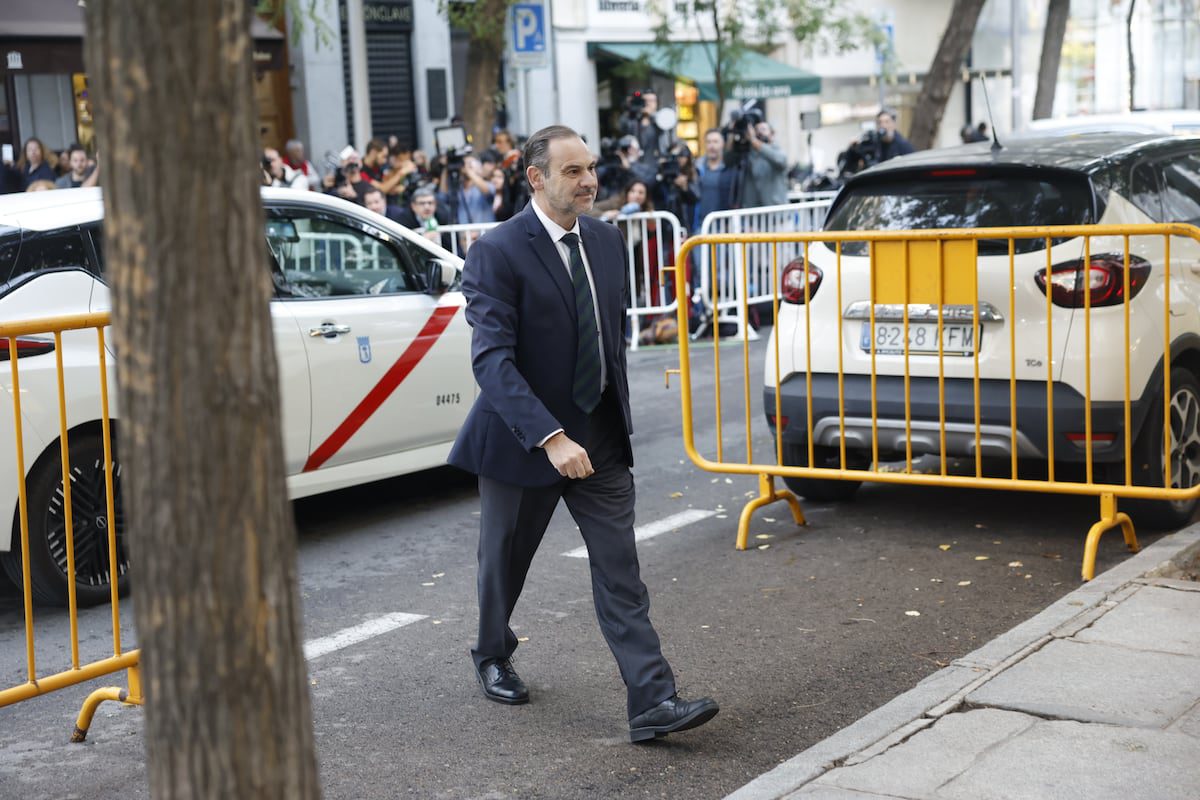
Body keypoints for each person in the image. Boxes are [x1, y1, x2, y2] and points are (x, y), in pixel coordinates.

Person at [447, 124, 718, 743]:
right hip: (524, 440)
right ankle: (492, 652)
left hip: (597, 438)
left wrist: (606, 422)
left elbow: (607, 337)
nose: (590, 180)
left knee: (621, 570)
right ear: (536, 178)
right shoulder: (498, 251)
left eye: (591, 167)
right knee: (503, 567)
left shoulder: (606, 240)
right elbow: (492, 360)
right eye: (573, 171)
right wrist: (549, 436)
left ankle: (652, 702)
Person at [740, 120, 788, 208]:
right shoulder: (751, 154)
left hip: (777, 213)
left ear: (772, 134)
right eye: (756, 130)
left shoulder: (777, 151)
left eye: (763, 129)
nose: (759, 132)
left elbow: (779, 160)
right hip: (756, 215)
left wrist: (753, 140)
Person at [694, 128, 734, 231]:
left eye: (715, 142)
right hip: (701, 226)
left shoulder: (731, 168)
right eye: (708, 142)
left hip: (724, 227)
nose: (712, 146)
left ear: (723, 144)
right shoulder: (697, 167)